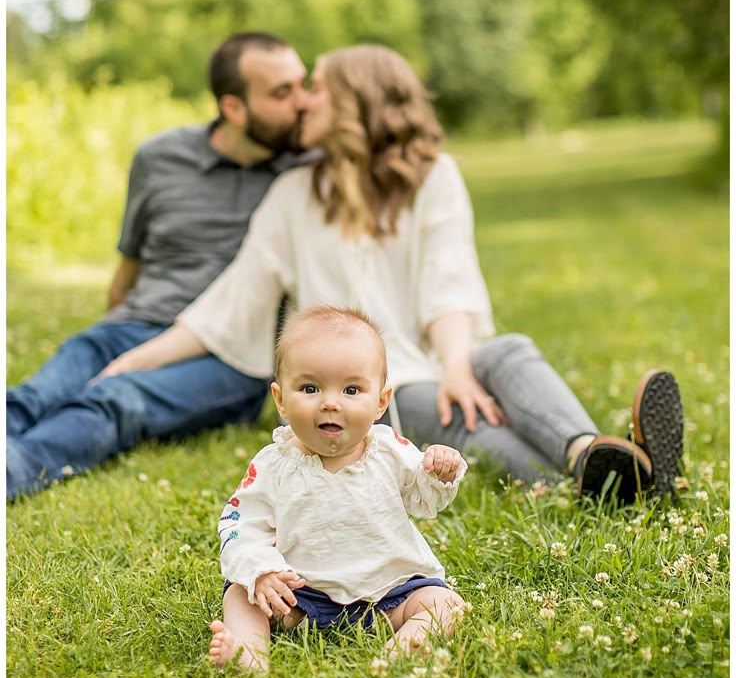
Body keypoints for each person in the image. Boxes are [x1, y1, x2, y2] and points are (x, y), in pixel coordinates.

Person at [101, 43, 684, 503]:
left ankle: (587, 454)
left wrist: (458, 364)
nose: (302, 100)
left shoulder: (434, 177)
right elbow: (229, 304)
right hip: (376, 387)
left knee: (505, 353)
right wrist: (135, 359)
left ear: (359, 102)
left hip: (443, 352)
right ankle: (621, 472)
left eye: (317, 88)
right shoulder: (291, 195)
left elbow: (448, 282)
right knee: (461, 416)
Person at [7, 31, 312, 499]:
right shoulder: (160, 156)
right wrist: (109, 332)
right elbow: (129, 267)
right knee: (34, 397)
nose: (303, 102)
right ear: (233, 107)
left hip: (229, 353)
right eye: (282, 92)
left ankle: (15, 469)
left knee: (115, 401)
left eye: (302, 84)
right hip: (136, 324)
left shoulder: (310, 169)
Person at [208, 305, 468, 672]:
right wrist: (263, 571)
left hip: (389, 594)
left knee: (444, 603)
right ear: (281, 399)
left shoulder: (390, 450)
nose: (330, 402)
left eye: (351, 389)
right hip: (302, 597)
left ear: (380, 401)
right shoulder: (272, 466)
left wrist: (439, 472)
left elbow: (423, 499)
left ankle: (403, 650)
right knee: (241, 593)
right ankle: (249, 653)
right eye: (310, 388)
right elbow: (240, 526)